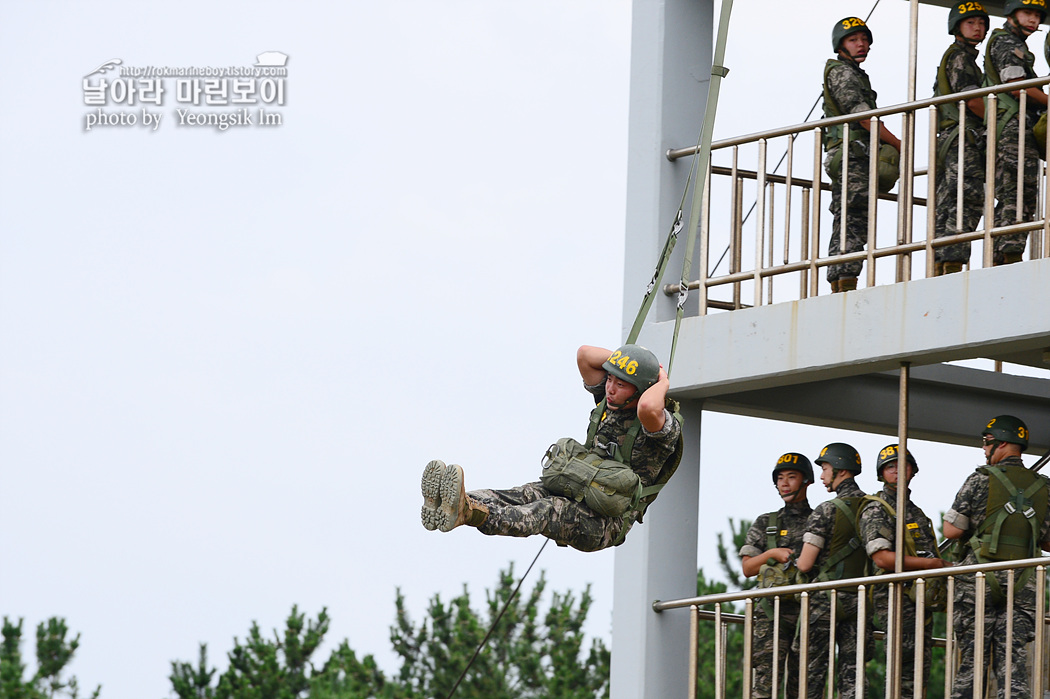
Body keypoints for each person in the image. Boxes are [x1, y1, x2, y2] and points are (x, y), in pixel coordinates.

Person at [420, 343, 683, 552]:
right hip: (578, 491)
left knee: (547, 509)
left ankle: (471, 514)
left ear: (640, 390)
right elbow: (584, 355)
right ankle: (455, 501)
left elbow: (649, 407)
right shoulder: (609, 400)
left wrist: (660, 380)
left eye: (621, 384)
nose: (610, 388)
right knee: (523, 494)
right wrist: (628, 363)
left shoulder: (657, 428)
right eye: (610, 379)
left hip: (605, 524)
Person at [943, 415, 1050, 699]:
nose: (984, 448)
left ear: (1002, 443)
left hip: (978, 580)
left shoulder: (980, 479)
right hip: (1024, 583)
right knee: (1013, 664)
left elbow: (951, 530)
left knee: (972, 662)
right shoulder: (1044, 487)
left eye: (987, 442)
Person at [857, 445, 951, 697]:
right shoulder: (877, 508)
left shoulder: (915, 512)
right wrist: (931, 566)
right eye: (890, 467)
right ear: (882, 473)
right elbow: (882, 558)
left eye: (903, 466)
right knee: (901, 662)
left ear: (912, 470)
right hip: (894, 596)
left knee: (921, 664)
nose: (897, 471)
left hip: (921, 598)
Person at [822, 17, 902, 293]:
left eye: (864, 40)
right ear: (841, 44)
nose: (861, 45)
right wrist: (899, 143)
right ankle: (844, 278)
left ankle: (841, 276)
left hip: (854, 153)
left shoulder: (852, 72)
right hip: (850, 154)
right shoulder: (842, 73)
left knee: (850, 214)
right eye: (854, 40)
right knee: (853, 214)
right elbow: (864, 116)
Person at [795, 443, 872, 699]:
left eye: (825, 467)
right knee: (854, 675)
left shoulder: (826, 510)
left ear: (839, 469)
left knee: (812, 675)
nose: (821, 475)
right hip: (860, 600)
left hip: (825, 600)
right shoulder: (874, 508)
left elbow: (805, 564)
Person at [739, 452, 814, 699]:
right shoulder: (766, 522)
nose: (784, 483)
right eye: (780, 478)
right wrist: (771, 553)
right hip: (771, 614)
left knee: (804, 683)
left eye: (791, 477)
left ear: (806, 481)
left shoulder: (819, 520)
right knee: (764, 682)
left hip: (808, 613)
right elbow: (748, 568)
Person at [984, 0, 1048, 265]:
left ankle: (1004, 254)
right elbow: (1016, 86)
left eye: (1036, 15)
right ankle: (1009, 254)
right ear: (1012, 15)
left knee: (1019, 189)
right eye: (1027, 13)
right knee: (1018, 189)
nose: (1033, 19)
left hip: (1016, 125)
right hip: (1012, 128)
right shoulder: (1006, 43)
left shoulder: (1016, 43)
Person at [932, 2, 989, 275]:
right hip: (961, 138)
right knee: (966, 195)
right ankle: (952, 261)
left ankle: (944, 261)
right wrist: (997, 122)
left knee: (949, 198)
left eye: (981, 23)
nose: (977, 28)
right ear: (957, 28)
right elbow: (972, 99)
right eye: (970, 23)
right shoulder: (960, 57)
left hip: (952, 138)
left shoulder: (960, 56)